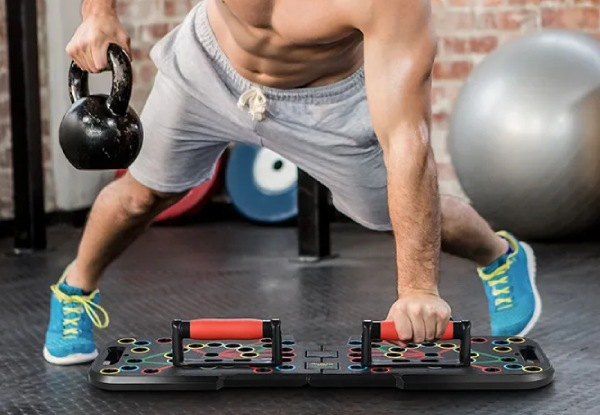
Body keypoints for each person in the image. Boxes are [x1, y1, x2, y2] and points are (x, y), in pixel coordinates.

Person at [43, 0, 541, 365]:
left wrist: (418, 288)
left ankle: (499, 256)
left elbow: (408, 144)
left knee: (390, 210)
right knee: (140, 195)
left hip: (327, 100)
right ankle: (74, 291)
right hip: (210, 64)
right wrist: (98, 14)